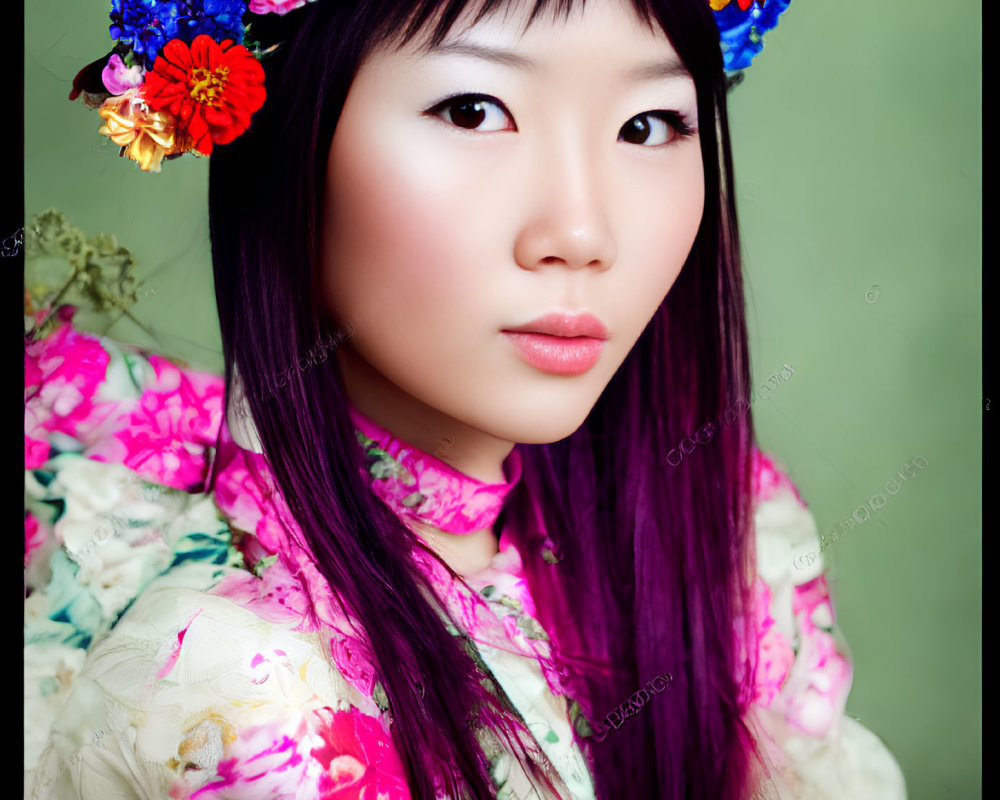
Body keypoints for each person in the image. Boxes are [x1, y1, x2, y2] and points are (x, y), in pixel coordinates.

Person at [24, 0, 908, 797]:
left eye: (648, 124)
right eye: (475, 110)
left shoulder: (732, 538)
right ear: (290, 132)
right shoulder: (233, 682)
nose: (581, 232)